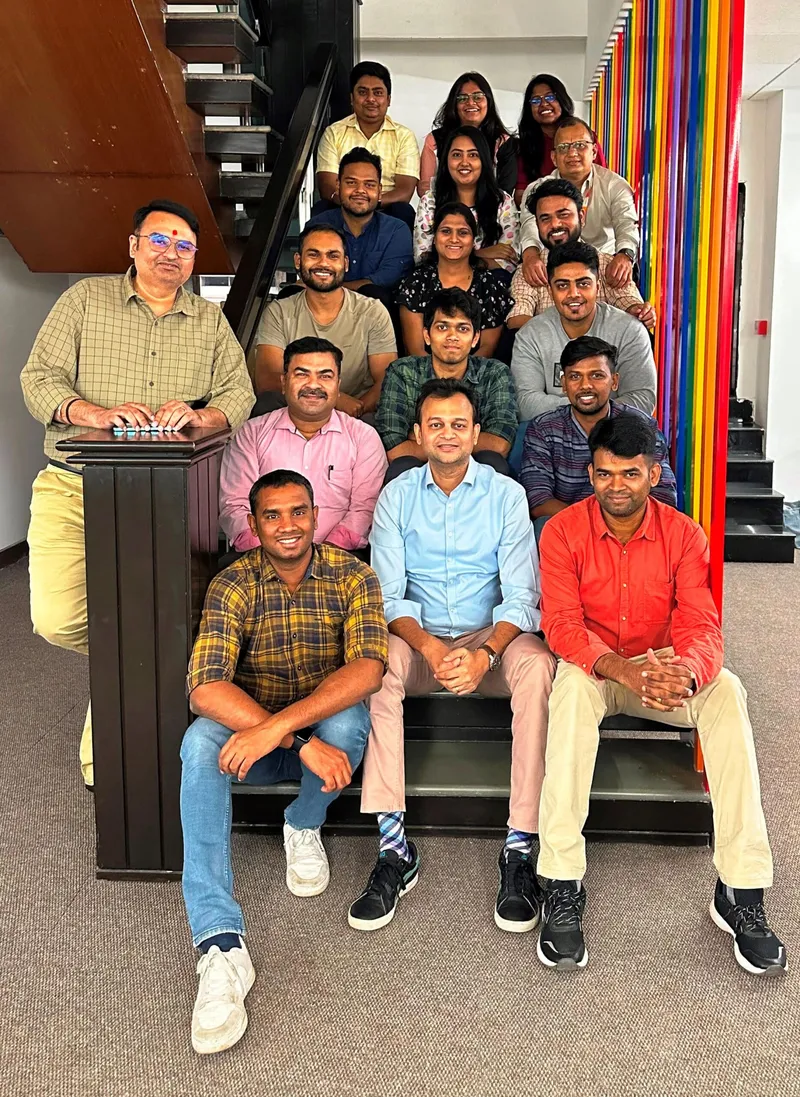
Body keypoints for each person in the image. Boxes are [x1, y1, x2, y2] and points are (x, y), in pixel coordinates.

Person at [535, 414, 787, 977]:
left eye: (630, 474)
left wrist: (688, 675)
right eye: (605, 474)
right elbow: (561, 624)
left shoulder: (683, 534)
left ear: (653, 474)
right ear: (590, 474)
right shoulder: (562, 532)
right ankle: (562, 881)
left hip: (664, 666)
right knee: (569, 692)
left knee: (727, 692)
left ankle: (741, 890)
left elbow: (701, 625)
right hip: (599, 668)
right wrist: (623, 672)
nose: (616, 486)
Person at [20, 198, 255, 789]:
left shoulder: (209, 321)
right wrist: (92, 413)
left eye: (184, 245)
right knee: (58, 617)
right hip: (76, 485)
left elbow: (239, 393)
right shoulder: (84, 301)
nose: (171, 253)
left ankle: (108, 750)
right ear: (133, 245)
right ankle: (138, 682)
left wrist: (201, 416)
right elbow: (37, 379)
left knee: (157, 618)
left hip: (167, 498)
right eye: (159, 240)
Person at [181, 469, 388, 1054]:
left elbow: (368, 669)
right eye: (272, 515)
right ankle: (220, 945)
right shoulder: (232, 583)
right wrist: (293, 742)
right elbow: (205, 688)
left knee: (348, 721)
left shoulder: (353, 575)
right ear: (253, 524)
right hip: (261, 746)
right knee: (198, 744)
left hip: (313, 744)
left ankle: (303, 822)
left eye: (298, 511)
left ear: (316, 514)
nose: (287, 525)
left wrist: (284, 730)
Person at [348, 377, 555, 934]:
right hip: (421, 644)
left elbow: (522, 596)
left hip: (490, 641)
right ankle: (394, 847)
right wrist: (431, 647)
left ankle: (520, 845)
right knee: (375, 666)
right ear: (417, 434)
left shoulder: (506, 495)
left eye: (458, 425)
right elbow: (386, 596)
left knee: (539, 667)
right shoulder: (396, 496)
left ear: (476, 433)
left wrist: (485, 653)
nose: (447, 434)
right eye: (435, 424)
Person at [220, 337, 387, 553]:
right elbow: (235, 506)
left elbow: (365, 509)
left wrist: (324, 555)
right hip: (262, 556)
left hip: (341, 557)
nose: (313, 385)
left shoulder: (363, 437)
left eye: (325, 376)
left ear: (338, 385)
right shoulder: (252, 434)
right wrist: (271, 555)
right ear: (284, 383)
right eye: (302, 374)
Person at [519, 336, 676, 540]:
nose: (586, 385)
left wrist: (616, 528)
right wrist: (595, 526)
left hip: (631, 531)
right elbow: (538, 500)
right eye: (575, 376)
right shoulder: (544, 428)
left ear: (614, 381)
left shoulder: (641, 425)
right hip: (574, 531)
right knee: (544, 527)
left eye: (597, 375)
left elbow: (664, 495)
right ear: (564, 383)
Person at [253, 224, 397, 418]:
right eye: (314, 255)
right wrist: (334, 399)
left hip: (356, 414)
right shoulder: (278, 312)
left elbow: (386, 381)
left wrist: (351, 416)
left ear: (345, 263)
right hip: (296, 411)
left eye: (333, 256)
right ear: (298, 261)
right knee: (268, 404)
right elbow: (269, 381)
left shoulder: (373, 312)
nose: (323, 263)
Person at [377, 288, 517, 478]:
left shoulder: (494, 373)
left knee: (492, 461)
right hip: (418, 476)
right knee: (402, 466)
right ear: (427, 335)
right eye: (442, 327)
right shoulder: (402, 372)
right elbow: (396, 451)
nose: (452, 336)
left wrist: (422, 439)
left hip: (474, 473)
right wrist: (467, 438)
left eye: (463, 328)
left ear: (475, 338)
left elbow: (499, 444)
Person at [510, 241, 657, 422]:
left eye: (583, 284)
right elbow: (525, 404)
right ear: (550, 290)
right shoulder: (530, 335)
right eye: (562, 285)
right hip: (553, 432)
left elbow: (642, 399)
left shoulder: (629, 330)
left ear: (598, 286)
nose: (574, 293)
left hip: (615, 432)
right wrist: (590, 409)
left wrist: (587, 413)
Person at [507, 178, 656, 329]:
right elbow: (517, 319)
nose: (555, 224)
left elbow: (629, 303)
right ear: (537, 225)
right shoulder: (530, 270)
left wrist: (640, 313)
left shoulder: (607, 265)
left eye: (563, 215)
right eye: (545, 218)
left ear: (581, 217)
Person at [520, 116, 638, 289]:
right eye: (563, 147)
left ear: (594, 152)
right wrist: (530, 256)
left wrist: (625, 255)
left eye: (580, 145)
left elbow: (626, 223)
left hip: (605, 267)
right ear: (554, 157)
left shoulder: (615, 185)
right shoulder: (536, 189)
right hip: (553, 266)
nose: (572, 153)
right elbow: (529, 226)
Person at [398, 203, 513, 360]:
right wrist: (440, 373)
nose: (453, 239)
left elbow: (487, 350)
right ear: (434, 238)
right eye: (446, 231)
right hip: (423, 372)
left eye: (463, 233)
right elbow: (415, 350)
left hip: (476, 373)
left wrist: (458, 373)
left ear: (473, 240)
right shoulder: (416, 283)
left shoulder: (490, 285)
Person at [315, 61, 420, 230]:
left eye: (378, 93)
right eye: (363, 92)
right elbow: (327, 185)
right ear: (352, 98)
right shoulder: (334, 133)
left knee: (404, 211)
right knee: (322, 210)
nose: (371, 99)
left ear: (388, 99)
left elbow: (405, 191)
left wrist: (370, 202)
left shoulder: (404, 136)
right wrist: (352, 202)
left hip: (386, 207)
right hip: (344, 204)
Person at [307, 147, 413, 297]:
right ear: (338, 185)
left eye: (369, 185)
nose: (360, 190)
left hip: (377, 308)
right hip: (322, 305)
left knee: (374, 292)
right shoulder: (317, 226)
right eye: (351, 183)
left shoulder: (396, 230)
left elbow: (388, 279)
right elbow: (311, 274)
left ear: (379, 190)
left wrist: (333, 287)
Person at [414, 127, 518, 274]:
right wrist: (480, 254)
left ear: (484, 160)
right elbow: (422, 258)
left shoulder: (502, 201)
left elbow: (508, 263)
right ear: (446, 160)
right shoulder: (430, 201)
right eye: (457, 155)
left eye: (473, 155)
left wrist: (451, 255)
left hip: (491, 283)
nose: (464, 162)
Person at [418, 72, 516, 197]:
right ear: (454, 104)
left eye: (477, 97)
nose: (470, 102)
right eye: (462, 98)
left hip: (492, 207)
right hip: (443, 206)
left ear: (488, 101)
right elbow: (425, 188)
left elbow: (505, 191)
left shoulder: (503, 142)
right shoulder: (435, 140)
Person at [515, 74, 607, 206]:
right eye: (535, 100)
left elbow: (601, 180)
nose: (543, 104)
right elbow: (520, 195)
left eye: (550, 97)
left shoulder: (585, 137)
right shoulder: (525, 145)